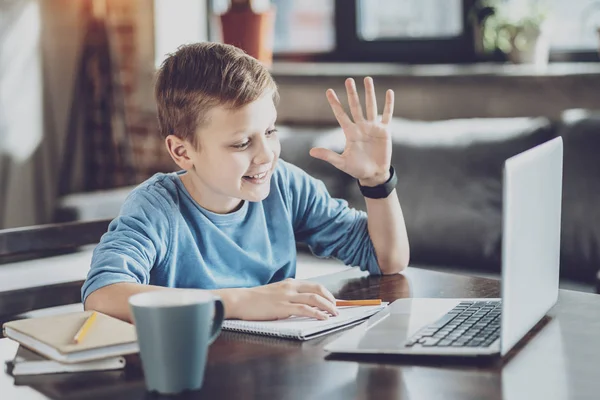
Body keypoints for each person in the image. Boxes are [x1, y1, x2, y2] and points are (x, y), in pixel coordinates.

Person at [82, 42, 410, 322]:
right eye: (241, 143)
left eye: (270, 131)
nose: (266, 155)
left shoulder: (287, 186)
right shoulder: (157, 208)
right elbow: (102, 295)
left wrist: (376, 179)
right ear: (182, 152)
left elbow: (387, 260)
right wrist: (239, 301)